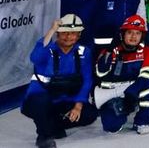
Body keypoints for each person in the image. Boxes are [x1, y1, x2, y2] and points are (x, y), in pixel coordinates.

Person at [22, 15, 97, 148]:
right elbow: (35, 58)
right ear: (57, 34)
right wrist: (50, 30)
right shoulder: (47, 49)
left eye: (73, 34)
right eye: (64, 33)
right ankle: (44, 136)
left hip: (65, 99)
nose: (69, 37)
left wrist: (78, 106)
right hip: (42, 99)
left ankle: (54, 126)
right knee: (40, 104)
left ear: (79, 35)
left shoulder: (84, 52)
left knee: (89, 114)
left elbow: (86, 80)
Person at [93, 15, 149, 135]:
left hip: (131, 91)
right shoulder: (110, 50)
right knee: (111, 127)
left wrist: (131, 93)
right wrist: (108, 52)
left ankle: (141, 121)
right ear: (123, 34)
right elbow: (100, 73)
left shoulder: (146, 51)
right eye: (130, 32)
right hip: (111, 93)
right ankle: (123, 109)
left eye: (138, 33)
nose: (134, 37)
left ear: (142, 36)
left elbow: (146, 75)